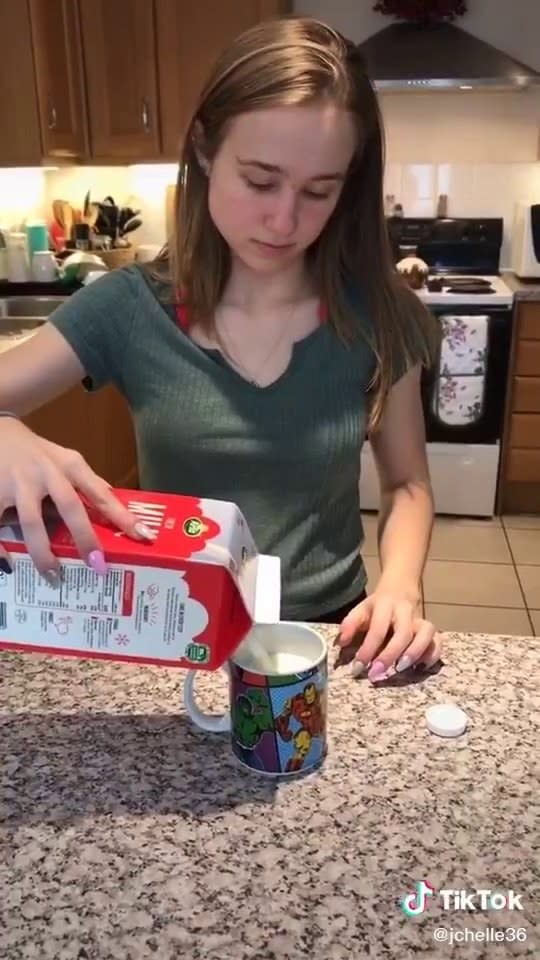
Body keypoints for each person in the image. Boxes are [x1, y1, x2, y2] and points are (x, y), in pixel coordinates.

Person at [0, 16, 442, 683]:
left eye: (319, 191)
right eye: (261, 181)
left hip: (325, 633)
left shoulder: (380, 314)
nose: (285, 220)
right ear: (205, 150)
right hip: (170, 632)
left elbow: (408, 484)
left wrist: (402, 588)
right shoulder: (127, 307)